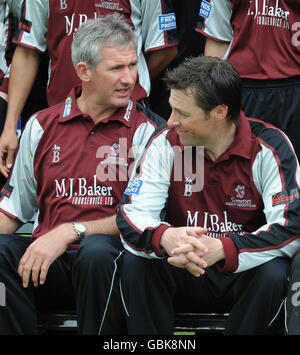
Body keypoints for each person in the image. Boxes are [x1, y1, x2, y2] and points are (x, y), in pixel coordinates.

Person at [0, 14, 166, 335]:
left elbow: (143, 218)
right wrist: (54, 239)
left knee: (97, 252)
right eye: (116, 68)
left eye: (132, 65)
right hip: (47, 265)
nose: (129, 79)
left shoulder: (150, 132)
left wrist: (68, 232)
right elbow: (12, 210)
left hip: (112, 266)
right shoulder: (41, 125)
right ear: (83, 72)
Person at [116, 56, 300, 335]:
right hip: (184, 266)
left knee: (274, 273)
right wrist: (166, 237)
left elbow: (291, 227)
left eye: (183, 113)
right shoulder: (166, 142)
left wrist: (224, 248)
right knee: (137, 262)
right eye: (171, 109)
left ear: (220, 112)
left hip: (242, 270)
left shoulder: (270, 146)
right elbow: (130, 213)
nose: (170, 121)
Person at [0, 0, 178, 179]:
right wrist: (9, 127)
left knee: (126, 200)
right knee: (62, 201)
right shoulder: (38, 127)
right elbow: (28, 50)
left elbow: (163, 49)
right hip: (62, 122)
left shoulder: (147, 130)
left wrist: (116, 81)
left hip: (128, 122)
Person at [195, 1, 300, 161]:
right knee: (239, 169)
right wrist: (212, 96)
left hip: (295, 88)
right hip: (241, 89)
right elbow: (218, 40)